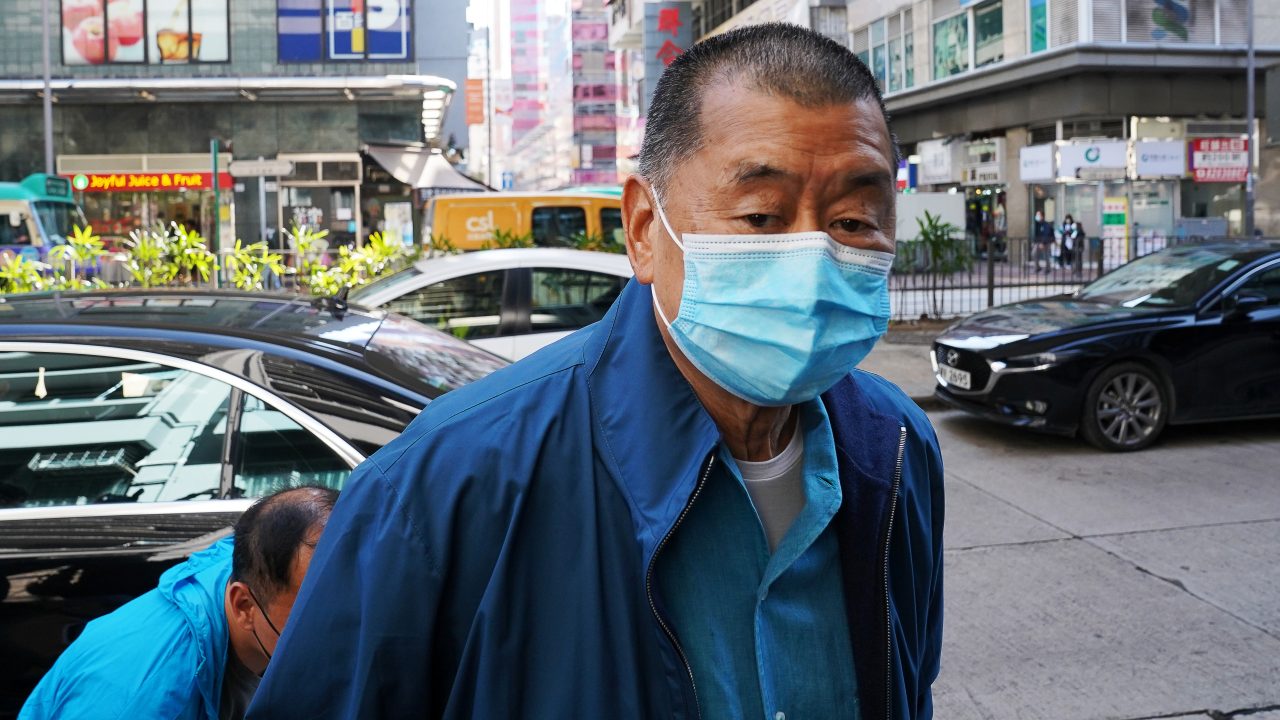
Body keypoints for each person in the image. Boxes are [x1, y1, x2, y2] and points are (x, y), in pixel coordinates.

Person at [250, 22, 944, 720]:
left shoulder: (898, 450)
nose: (814, 257)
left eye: (854, 221)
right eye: (761, 215)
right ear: (644, 228)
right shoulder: (441, 489)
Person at [20, 486, 339, 720]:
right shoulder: (142, 697)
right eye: (312, 625)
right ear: (243, 606)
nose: (339, 643)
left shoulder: (260, 571)